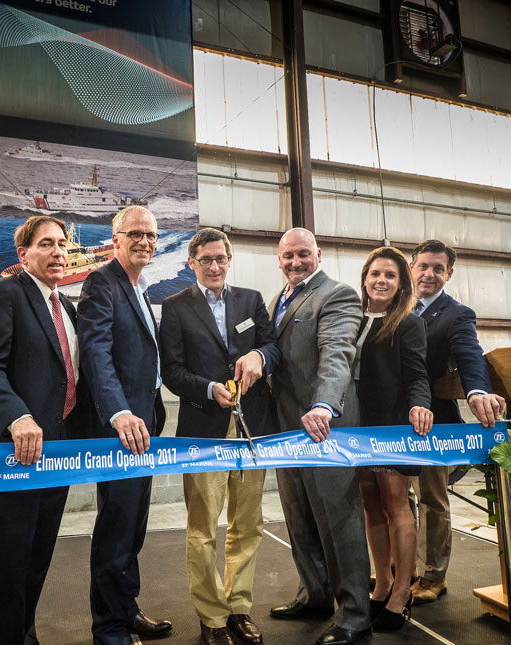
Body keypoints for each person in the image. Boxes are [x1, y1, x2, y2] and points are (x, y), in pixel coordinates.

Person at [0, 215, 93, 644]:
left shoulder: (66, 306)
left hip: (58, 451)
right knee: (8, 561)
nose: (58, 252)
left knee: (38, 557)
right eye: (46, 244)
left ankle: (24, 633)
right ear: (23, 255)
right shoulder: (4, 294)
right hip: (16, 451)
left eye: (62, 244)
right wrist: (17, 416)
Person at [160, 228, 280, 645]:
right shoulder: (175, 307)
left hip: (252, 430)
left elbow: (272, 347)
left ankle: (239, 608)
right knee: (202, 530)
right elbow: (172, 372)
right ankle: (211, 617)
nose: (214, 266)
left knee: (248, 525)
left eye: (221, 259)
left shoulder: (251, 300)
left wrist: (259, 355)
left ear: (230, 260)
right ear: (191, 262)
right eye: (206, 259)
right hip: (203, 429)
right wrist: (208, 388)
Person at [267, 228, 372, 645]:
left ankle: (355, 616)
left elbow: (337, 352)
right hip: (287, 430)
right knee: (299, 517)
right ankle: (315, 594)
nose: (295, 262)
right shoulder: (278, 300)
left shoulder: (337, 295)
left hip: (326, 428)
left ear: (319, 254)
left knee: (339, 522)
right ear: (279, 259)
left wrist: (325, 405)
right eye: (288, 256)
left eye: (303, 254)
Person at [77, 206, 172, 645]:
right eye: (135, 233)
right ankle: (109, 628)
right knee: (116, 530)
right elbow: (95, 353)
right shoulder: (101, 282)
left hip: (146, 423)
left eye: (151, 235)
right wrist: (118, 412)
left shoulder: (139, 287)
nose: (145, 242)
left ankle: (127, 609)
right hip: (122, 429)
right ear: (114, 239)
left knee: (133, 527)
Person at [408, 239, 505, 604]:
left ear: (448, 274)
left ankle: (432, 576)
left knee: (431, 500)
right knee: (397, 500)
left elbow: (470, 356)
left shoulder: (456, 314)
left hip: (434, 422)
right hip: (392, 421)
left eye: (438, 268)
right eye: (423, 266)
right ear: (412, 267)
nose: (429, 273)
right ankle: (403, 568)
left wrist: (477, 391)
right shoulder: (396, 306)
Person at [353, 246, 433, 631]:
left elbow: (417, 374)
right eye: (375, 274)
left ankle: (403, 591)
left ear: (401, 284)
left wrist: (419, 405)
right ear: (365, 279)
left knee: (396, 503)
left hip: (392, 426)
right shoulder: (353, 319)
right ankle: (382, 582)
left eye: (390, 275)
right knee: (370, 503)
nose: (381, 281)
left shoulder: (408, 323)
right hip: (357, 427)